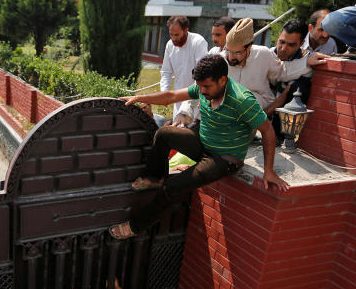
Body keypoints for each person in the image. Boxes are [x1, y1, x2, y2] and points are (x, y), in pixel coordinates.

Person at [111, 55, 289, 239]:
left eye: (206, 87)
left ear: (223, 80)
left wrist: (268, 170)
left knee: (175, 184)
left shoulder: (242, 101)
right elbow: (171, 96)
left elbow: (268, 130)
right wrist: (140, 97)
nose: (202, 91)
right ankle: (154, 177)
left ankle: (135, 226)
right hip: (202, 142)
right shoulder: (204, 86)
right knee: (164, 133)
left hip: (223, 159)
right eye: (200, 86)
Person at [222, 18, 323, 116]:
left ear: (249, 48)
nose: (230, 57)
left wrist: (305, 62)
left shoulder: (262, 55)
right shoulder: (220, 59)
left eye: (237, 52)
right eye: (228, 51)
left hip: (259, 108)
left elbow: (282, 71)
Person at [269, 19, 313, 143]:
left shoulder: (307, 62)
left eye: (291, 44)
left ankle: (281, 135)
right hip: (264, 106)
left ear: (301, 43)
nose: (283, 48)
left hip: (281, 114)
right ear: (279, 36)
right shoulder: (267, 55)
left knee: (299, 88)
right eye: (281, 42)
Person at [159, 16, 208, 121]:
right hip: (178, 98)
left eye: (177, 35)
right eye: (171, 34)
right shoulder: (169, 45)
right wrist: (164, 93)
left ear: (186, 30)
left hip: (196, 98)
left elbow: (202, 75)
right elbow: (166, 71)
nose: (173, 38)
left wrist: (187, 103)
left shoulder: (198, 42)